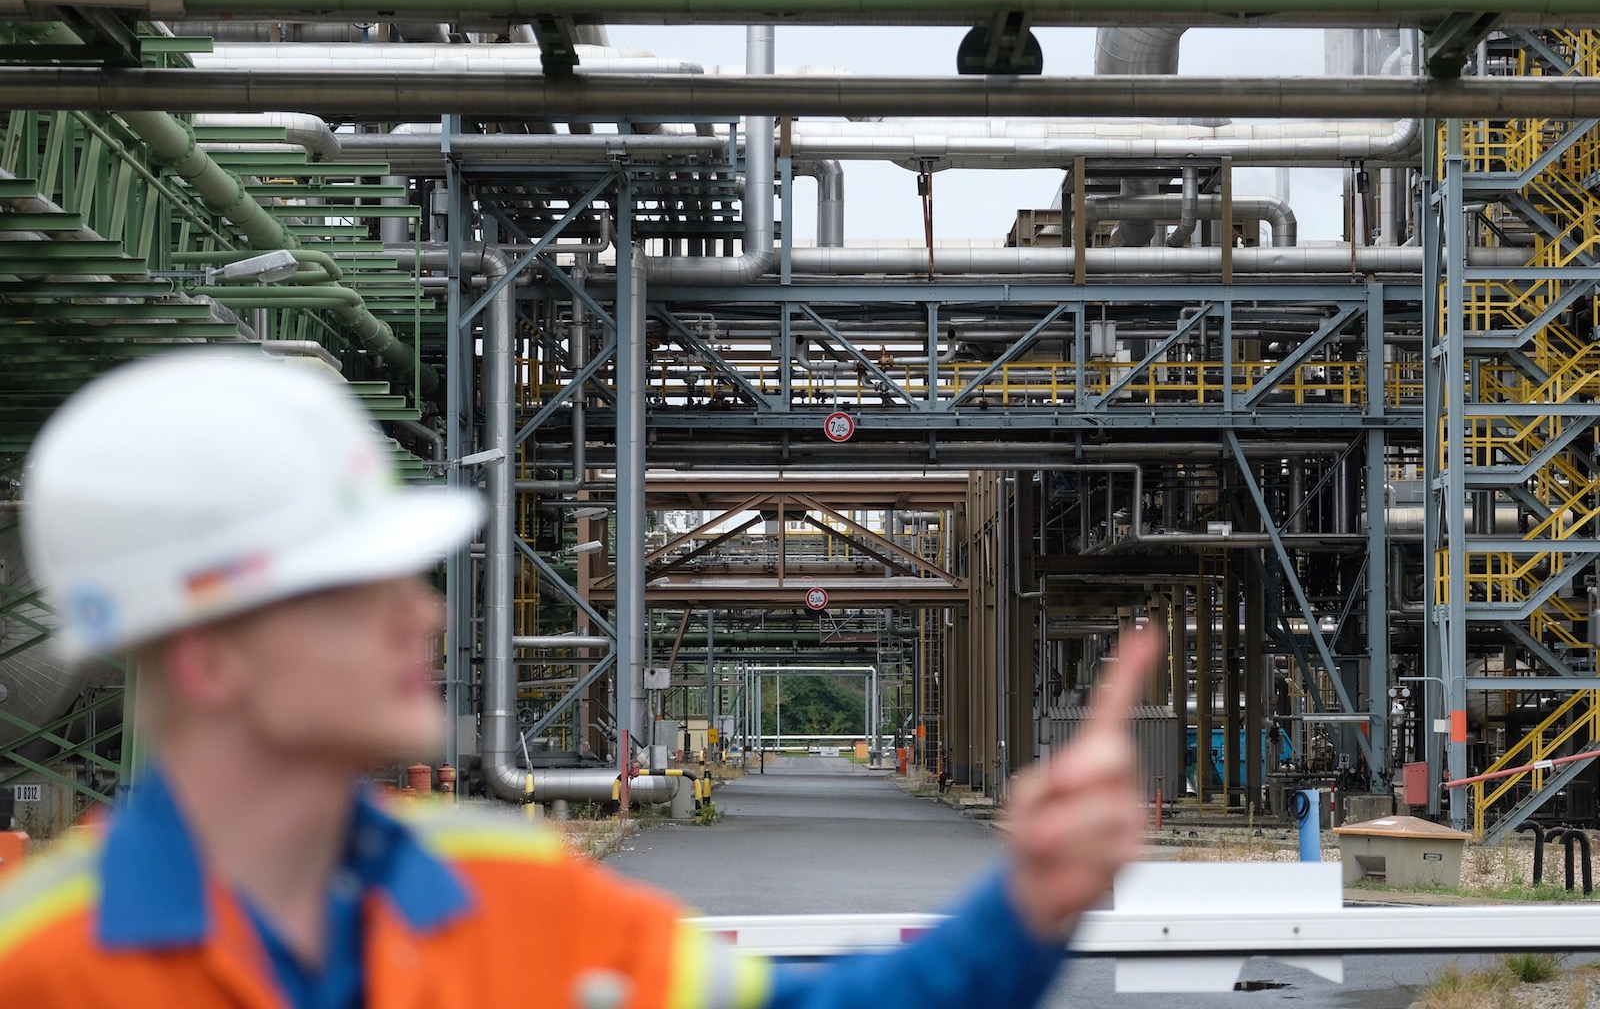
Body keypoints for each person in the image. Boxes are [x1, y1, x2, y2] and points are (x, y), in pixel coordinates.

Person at [0, 350, 1160, 1009]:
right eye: (351, 588)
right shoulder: (44, 968)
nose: (424, 612)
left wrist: (1029, 902)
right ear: (209, 656)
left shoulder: (512, 889)